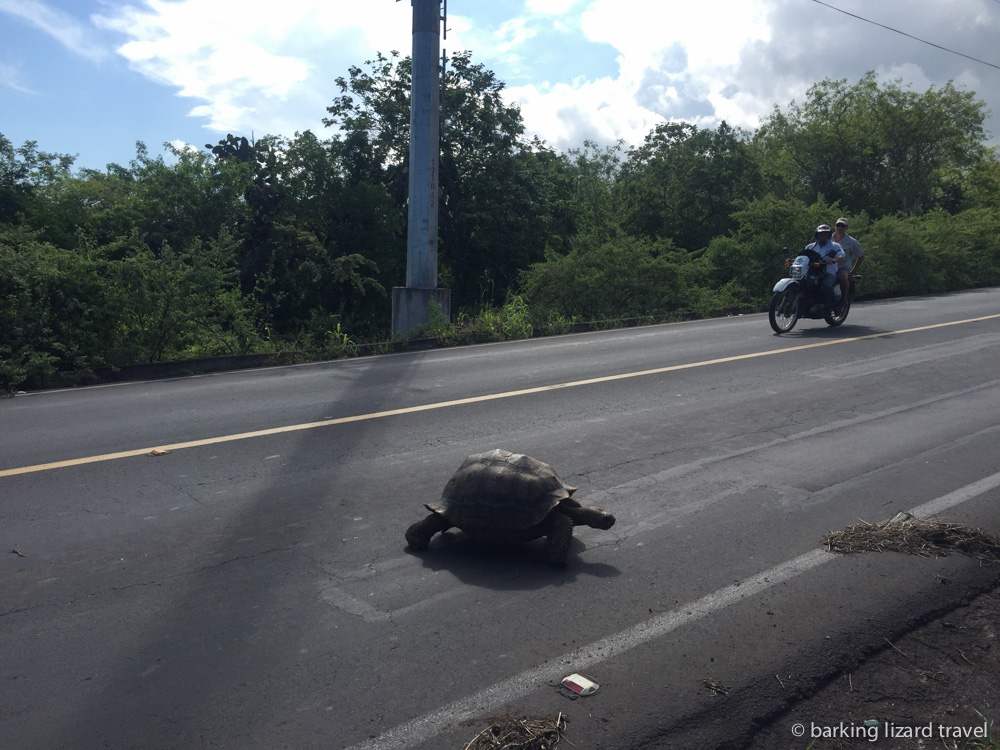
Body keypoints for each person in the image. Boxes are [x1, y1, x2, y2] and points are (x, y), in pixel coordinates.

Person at [805, 224, 844, 311]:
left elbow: (842, 256)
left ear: (829, 235)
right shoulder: (810, 246)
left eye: (825, 234)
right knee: (802, 283)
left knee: (826, 286)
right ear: (817, 235)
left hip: (828, 273)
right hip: (811, 272)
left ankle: (834, 307)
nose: (823, 236)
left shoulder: (835, 246)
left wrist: (834, 260)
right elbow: (803, 257)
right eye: (821, 234)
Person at [833, 217, 864, 304]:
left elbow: (861, 256)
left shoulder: (852, 242)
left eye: (842, 226)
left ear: (846, 227)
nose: (840, 227)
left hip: (843, 267)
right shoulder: (827, 239)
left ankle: (843, 299)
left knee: (842, 276)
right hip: (828, 266)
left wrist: (853, 271)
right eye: (838, 225)